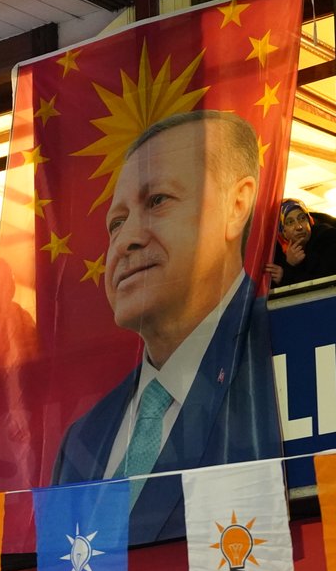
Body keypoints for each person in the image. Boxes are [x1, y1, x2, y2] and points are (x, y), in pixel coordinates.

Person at [52, 111, 280, 544]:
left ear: (236, 206)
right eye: (116, 223)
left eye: (157, 201)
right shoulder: (81, 441)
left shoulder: (286, 365)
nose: (125, 240)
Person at [268, 198, 336, 287]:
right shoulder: (275, 253)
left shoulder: (327, 237)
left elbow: (323, 282)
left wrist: (287, 274)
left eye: (302, 218)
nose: (299, 227)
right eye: (290, 222)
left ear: (309, 221)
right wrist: (289, 264)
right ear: (282, 231)